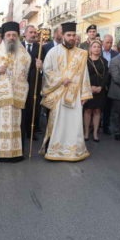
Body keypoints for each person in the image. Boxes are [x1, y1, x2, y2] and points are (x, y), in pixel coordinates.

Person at [40, 22, 92, 162]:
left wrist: (85, 94)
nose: (72, 38)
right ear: (62, 35)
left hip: (75, 95)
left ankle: (73, 150)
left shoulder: (81, 54)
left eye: (74, 35)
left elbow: (85, 75)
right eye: (69, 35)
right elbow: (47, 71)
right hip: (59, 94)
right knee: (59, 123)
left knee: (73, 124)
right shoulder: (53, 52)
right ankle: (55, 150)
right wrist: (61, 79)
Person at [0, 21, 31, 162]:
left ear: (18, 37)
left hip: (18, 97)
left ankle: (17, 153)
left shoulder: (26, 56)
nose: (11, 38)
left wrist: (38, 68)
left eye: (14, 35)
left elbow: (31, 76)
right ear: (4, 37)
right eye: (8, 35)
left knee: (18, 124)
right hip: (1, 99)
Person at [84, 40, 109, 142]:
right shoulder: (85, 60)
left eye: (98, 47)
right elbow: (83, 75)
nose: (96, 49)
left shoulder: (104, 61)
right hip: (88, 89)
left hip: (100, 91)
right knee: (88, 110)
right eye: (94, 47)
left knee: (97, 111)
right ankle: (86, 132)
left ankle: (95, 133)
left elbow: (106, 76)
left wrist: (100, 87)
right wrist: (89, 87)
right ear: (90, 48)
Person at [22, 25, 44, 140]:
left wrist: (41, 67)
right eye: (31, 32)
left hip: (34, 82)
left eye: (35, 32)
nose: (33, 34)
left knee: (33, 107)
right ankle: (21, 130)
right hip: (21, 82)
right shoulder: (18, 46)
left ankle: (31, 131)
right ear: (25, 34)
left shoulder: (39, 47)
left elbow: (44, 66)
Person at [101, 34, 118, 135]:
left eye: (111, 42)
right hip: (99, 82)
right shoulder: (98, 52)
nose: (109, 44)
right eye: (107, 42)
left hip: (111, 83)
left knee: (108, 106)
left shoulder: (115, 54)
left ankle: (106, 126)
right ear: (103, 42)